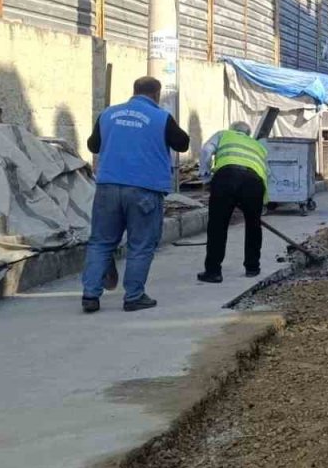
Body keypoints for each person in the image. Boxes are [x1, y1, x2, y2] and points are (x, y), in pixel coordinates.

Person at [81, 77, 190, 313]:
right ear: (156, 94)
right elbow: (183, 144)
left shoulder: (108, 114)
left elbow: (93, 145)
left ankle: (90, 295)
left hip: (108, 187)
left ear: (134, 91)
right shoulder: (161, 118)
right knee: (140, 245)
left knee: (100, 242)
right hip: (144, 190)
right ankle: (134, 297)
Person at [197, 122, 269, 283]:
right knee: (253, 226)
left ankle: (213, 271)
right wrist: (262, 202)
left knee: (217, 226)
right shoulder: (257, 145)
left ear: (232, 130)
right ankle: (252, 267)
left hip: (226, 178)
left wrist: (206, 176)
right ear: (248, 134)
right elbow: (266, 172)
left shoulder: (224, 134)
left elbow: (206, 150)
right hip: (253, 182)